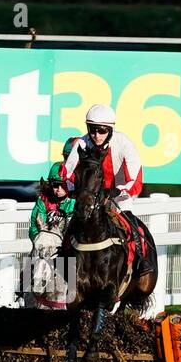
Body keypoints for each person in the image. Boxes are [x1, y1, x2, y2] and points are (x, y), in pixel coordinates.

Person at [59, 104, 155, 277]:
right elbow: (67, 172)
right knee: (74, 222)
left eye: (102, 130)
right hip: (90, 197)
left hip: (118, 195)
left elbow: (135, 176)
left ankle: (141, 259)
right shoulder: (82, 143)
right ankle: (63, 258)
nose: (96, 135)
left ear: (110, 129)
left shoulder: (124, 143)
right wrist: (75, 191)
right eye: (93, 130)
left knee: (130, 221)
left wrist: (116, 192)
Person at [27, 143, 78, 308]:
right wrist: (40, 239)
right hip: (44, 246)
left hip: (66, 248)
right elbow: (35, 225)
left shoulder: (74, 203)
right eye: (55, 185)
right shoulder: (43, 200)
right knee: (34, 259)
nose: (58, 189)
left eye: (62, 185)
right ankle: (26, 291)